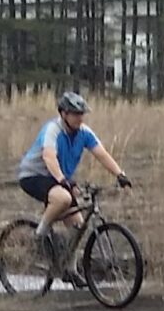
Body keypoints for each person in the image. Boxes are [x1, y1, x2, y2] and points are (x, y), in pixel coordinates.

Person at [16, 92, 130, 269]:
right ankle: (38, 237)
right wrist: (63, 180)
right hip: (34, 175)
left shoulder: (84, 132)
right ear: (63, 114)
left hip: (58, 179)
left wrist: (120, 174)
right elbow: (49, 157)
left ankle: (70, 270)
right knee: (63, 198)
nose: (80, 118)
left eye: (81, 114)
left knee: (77, 226)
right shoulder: (52, 130)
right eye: (75, 114)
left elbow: (101, 153)